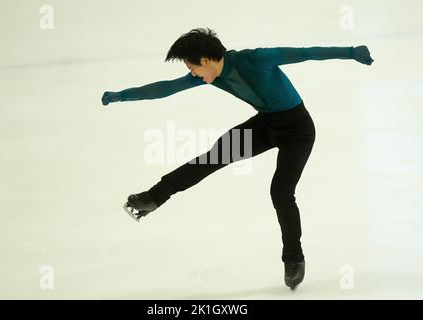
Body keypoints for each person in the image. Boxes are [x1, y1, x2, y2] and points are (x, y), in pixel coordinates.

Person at [101, 28, 374, 290]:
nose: (191, 73)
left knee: (281, 192)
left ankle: (293, 258)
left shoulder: (256, 59)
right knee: (210, 159)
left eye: (192, 67)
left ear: (206, 60)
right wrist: (122, 96)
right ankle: (153, 197)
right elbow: (166, 88)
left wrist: (351, 52)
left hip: (298, 132)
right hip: (265, 126)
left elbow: (305, 53)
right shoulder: (210, 74)